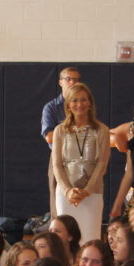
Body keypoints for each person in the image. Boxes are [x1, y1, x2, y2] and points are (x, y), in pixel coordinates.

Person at [51, 82, 110, 241]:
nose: (79, 104)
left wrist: (87, 191)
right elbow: (57, 165)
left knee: (90, 238)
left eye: (83, 100)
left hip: (92, 193)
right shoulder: (59, 130)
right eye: (75, 100)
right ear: (68, 105)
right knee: (65, 240)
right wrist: (68, 190)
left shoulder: (102, 130)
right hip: (66, 194)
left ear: (90, 102)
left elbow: (102, 164)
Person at [42, 68, 82, 215]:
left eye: (76, 80)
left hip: (83, 159)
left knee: (82, 204)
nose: (72, 82)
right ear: (60, 82)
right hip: (60, 158)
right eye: (68, 79)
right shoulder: (51, 107)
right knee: (58, 208)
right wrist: (75, 132)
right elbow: (50, 136)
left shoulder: (84, 108)